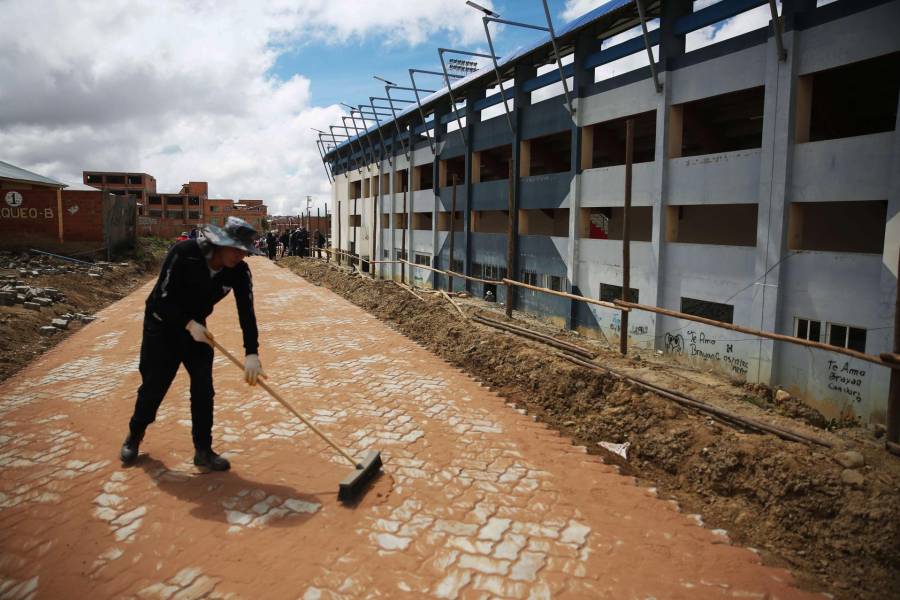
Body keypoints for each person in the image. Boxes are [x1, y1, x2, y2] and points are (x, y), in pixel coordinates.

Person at [120, 216, 265, 471]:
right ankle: (135, 434)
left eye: (245, 252)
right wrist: (187, 323)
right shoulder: (185, 252)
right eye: (237, 249)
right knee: (154, 386)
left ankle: (203, 450)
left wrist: (251, 353)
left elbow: (247, 312)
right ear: (220, 242)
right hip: (161, 325)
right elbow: (160, 299)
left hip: (196, 331)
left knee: (203, 390)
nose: (240, 256)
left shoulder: (239, 271)